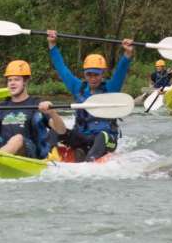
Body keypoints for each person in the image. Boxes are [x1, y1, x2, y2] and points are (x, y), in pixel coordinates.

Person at [47, 30, 133, 162]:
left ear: (102, 74)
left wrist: (127, 54)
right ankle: (51, 156)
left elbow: (120, 72)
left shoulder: (110, 88)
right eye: (89, 74)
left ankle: (90, 162)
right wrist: (52, 45)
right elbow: (62, 68)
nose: (93, 78)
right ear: (85, 74)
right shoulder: (78, 87)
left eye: (96, 74)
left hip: (107, 140)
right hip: (82, 137)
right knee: (55, 128)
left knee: (102, 136)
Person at [0, 60, 66, 158]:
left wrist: (52, 112)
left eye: (16, 79)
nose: (12, 83)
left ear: (25, 81)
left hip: (30, 152)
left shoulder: (37, 104)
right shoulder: (2, 106)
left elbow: (61, 130)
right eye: (10, 80)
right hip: (2, 147)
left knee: (17, 138)